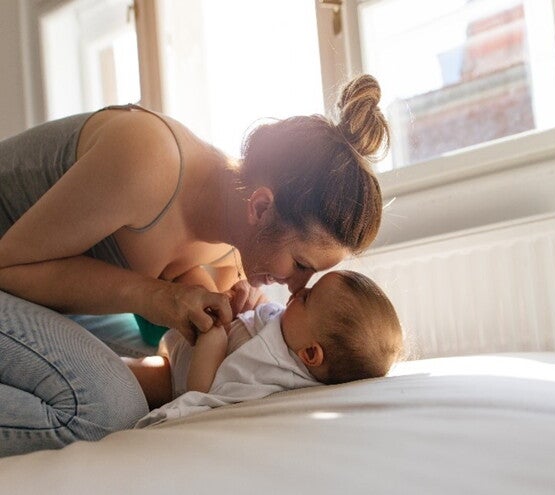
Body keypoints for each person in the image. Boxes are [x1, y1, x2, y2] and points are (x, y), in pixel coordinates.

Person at [0, 74, 390, 457]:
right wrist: (156, 295)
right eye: (301, 264)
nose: (294, 288)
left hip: (38, 294)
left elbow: (191, 356)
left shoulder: (234, 249)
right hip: (11, 266)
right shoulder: (148, 160)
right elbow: (9, 265)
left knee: (166, 379)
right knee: (109, 408)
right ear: (260, 207)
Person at [125, 270, 403, 420]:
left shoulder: (267, 370)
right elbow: (261, 311)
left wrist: (214, 336)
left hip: (173, 372)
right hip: (180, 335)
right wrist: (245, 296)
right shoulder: (292, 330)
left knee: (132, 373)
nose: (298, 291)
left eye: (307, 298)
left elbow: (202, 392)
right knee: (184, 266)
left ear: (310, 354)